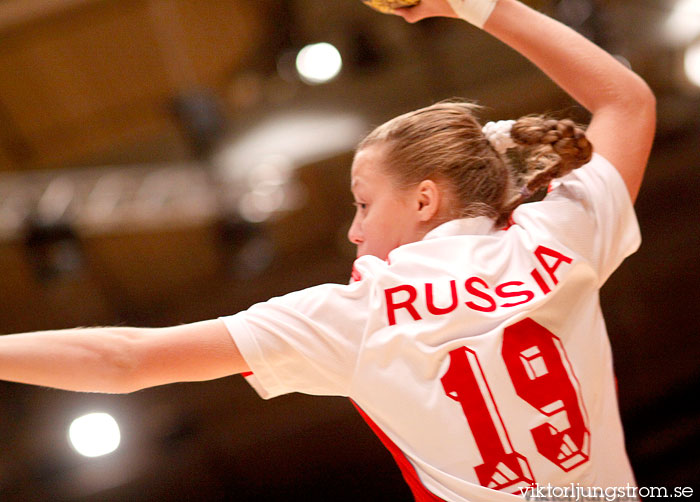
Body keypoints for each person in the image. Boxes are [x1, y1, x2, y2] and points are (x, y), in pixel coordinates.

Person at [0, 0, 655, 500]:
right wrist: (477, 5)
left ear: (425, 200)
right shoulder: (560, 242)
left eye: (363, 202)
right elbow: (625, 100)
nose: (353, 230)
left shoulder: (356, 318)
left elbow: (122, 359)